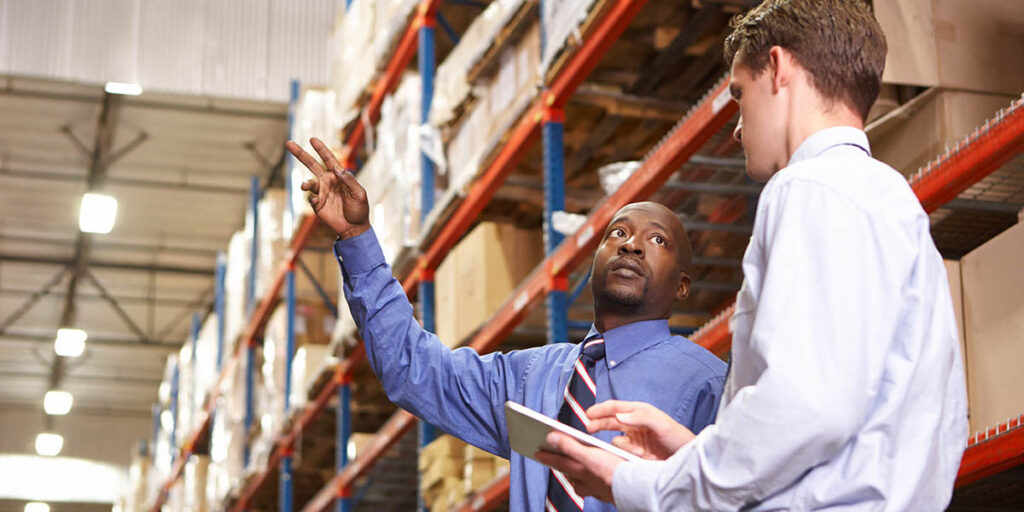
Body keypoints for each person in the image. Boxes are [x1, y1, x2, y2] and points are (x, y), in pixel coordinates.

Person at [536, 0, 969, 510]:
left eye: (739, 95)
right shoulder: (890, 201)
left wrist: (638, 485)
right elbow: (862, 432)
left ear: (780, 69)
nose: (738, 128)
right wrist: (694, 453)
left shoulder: (810, 188)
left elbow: (805, 408)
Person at [284, 138, 728, 511]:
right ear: (592, 266)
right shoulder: (531, 378)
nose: (630, 245)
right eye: (617, 233)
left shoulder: (710, 384)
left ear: (682, 286)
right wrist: (357, 239)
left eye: (657, 240)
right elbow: (413, 368)